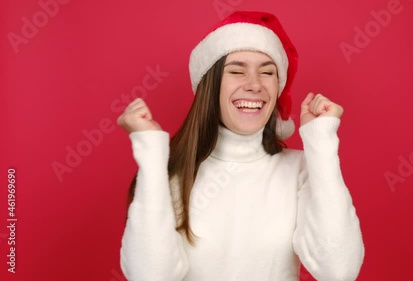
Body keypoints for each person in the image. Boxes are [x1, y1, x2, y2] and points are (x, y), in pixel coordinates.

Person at [118, 11, 364, 281]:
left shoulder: (300, 168)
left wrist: (321, 139)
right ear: (210, 86)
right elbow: (149, 276)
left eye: (267, 72)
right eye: (236, 71)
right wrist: (151, 154)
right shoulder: (174, 174)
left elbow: (339, 270)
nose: (255, 85)